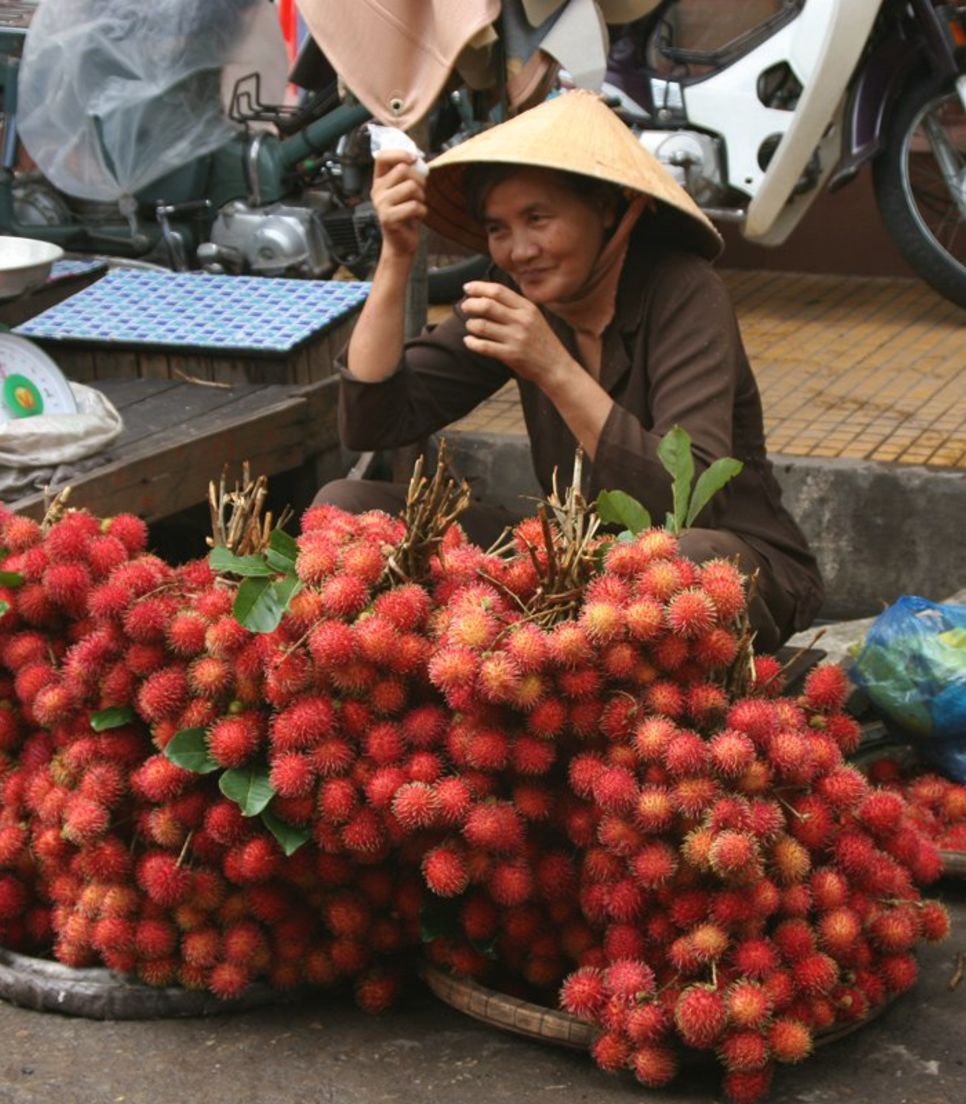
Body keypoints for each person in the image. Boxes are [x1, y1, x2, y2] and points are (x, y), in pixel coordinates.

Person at [317, 90, 823, 651]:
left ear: (611, 209)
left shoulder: (684, 289)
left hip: (725, 559)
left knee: (678, 566)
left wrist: (553, 367)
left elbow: (685, 502)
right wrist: (396, 256)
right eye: (499, 228)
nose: (519, 250)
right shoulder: (517, 295)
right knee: (347, 506)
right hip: (579, 562)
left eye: (538, 219)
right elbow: (371, 423)